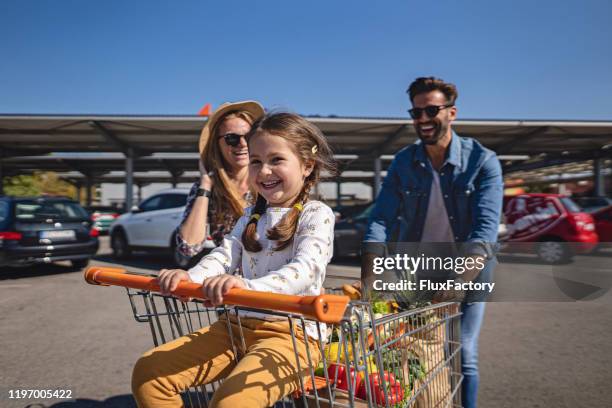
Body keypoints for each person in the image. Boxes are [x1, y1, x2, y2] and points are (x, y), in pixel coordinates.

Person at [132, 112, 337, 408]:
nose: (264, 171)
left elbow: (305, 271)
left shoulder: (316, 214)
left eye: (276, 160)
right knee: (149, 374)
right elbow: (224, 254)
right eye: (256, 161)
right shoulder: (251, 214)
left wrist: (244, 286)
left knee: (230, 402)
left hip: (292, 338)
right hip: (235, 326)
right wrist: (190, 277)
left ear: (307, 165)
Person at [363, 77, 503, 408]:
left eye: (431, 110)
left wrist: (459, 282)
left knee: (463, 352)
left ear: (451, 112)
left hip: (467, 274)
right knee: (409, 353)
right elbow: (381, 219)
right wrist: (370, 275)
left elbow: (484, 232)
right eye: (416, 112)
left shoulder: (482, 162)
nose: (423, 119)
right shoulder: (404, 162)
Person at [175, 101, 265, 267]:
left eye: (248, 136)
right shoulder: (208, 189)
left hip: (267, 284)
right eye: (232, 138)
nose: (243, 144)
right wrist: (205, 184)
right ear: (218, 144)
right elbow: (188, 247)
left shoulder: (268, 182)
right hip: (226, 286)